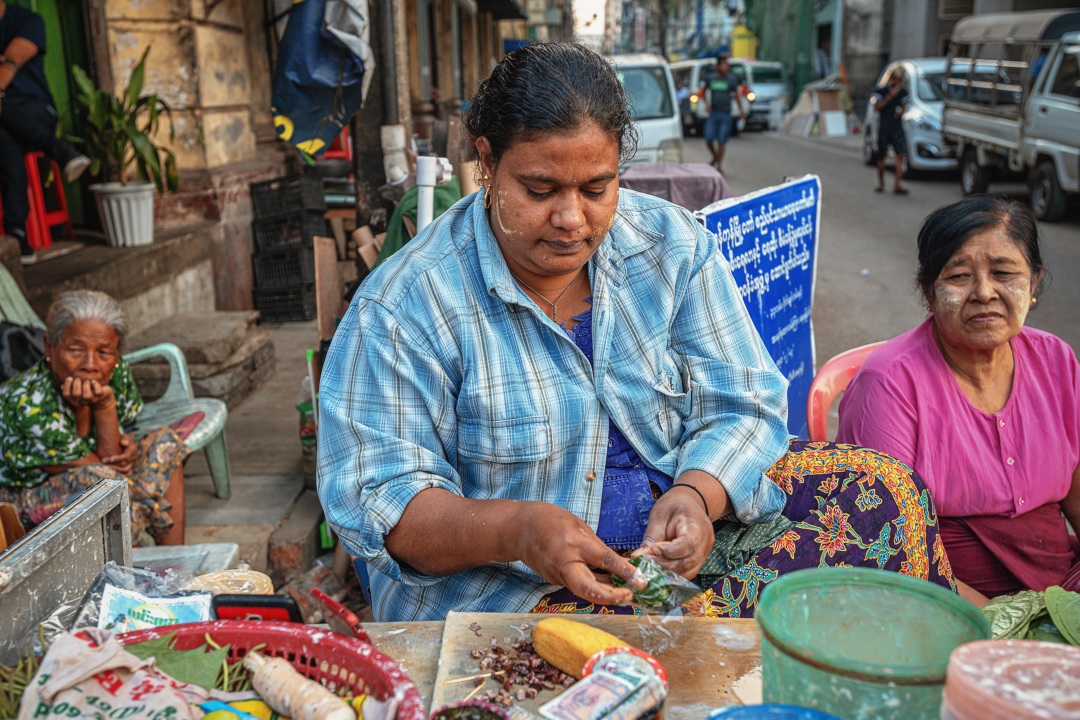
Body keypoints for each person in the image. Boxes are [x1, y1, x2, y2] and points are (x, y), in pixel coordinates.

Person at [317, 42, 955, 623]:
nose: (572, 219)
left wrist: (697, 494)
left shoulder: (668, 245)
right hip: (518, 589)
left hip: (681, 543)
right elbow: (380, 499)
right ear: (487, 162)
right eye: (539, 189)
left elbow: (746, 399)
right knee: (659, 633)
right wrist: (517, 529)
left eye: (597, 187)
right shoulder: (406, 303)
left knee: (885, 494)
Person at [837, 196, 1080, 604]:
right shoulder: (889, 383)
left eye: (1004, 273)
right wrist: (1006, 629)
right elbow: (887, 547)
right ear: (928, 293)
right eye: (960, 277)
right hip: (942, 598)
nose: (985, 293)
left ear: (1034, 283)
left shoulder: (1056, 359)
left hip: (1055, 583)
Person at [0, 290, 189, 546]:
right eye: (75, 350)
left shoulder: (116, 372)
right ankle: (129, 576)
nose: (90, 364)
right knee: (100, 480)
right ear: (49, 347)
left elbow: (116, 455)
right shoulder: (26, 403)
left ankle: (173, 569)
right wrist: (89, 409)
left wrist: (107, 409)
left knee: (165, 444)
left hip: (105, 477)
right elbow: (103, 472)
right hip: (25, 500)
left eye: (103, 352)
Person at [0, 0, 90, 265]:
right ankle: (61, 152)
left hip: (36, 111)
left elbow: (11, 61)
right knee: (4, 139)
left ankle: (17, 233)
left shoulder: (27, 21)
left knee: (5, 122)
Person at [702, 55, 745, 174]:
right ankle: (716, 157)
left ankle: (719, 165)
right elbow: (703, 91)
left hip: (726, 113)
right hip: (714, 112)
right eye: (724, 64)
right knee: (708, 137)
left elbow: (737, 96)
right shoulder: (711, 78)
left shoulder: (731, 80)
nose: (726, 67)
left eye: (727, 65)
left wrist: (741, 112)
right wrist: (706, 104)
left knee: (722, 140)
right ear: (718, 66)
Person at [870, 69, 909, 194]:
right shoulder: (881, 91)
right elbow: (876, 107)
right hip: (884, 128)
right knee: (881, 157)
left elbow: (904, 108)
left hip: (896, 128)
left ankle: (897, 185)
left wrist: (901, 111)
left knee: (900, 155)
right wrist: (889, 97)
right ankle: (881, 184)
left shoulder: (903, 93)